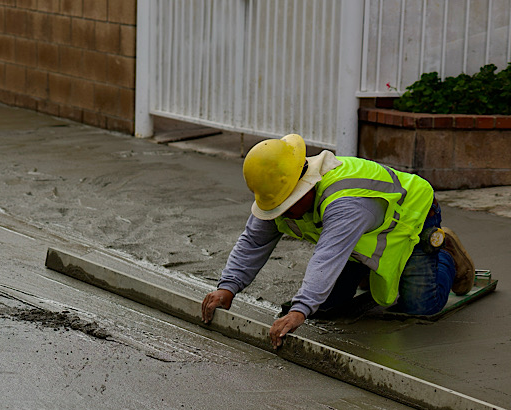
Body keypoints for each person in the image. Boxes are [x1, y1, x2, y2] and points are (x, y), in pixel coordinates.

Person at [200, 133, 475, 348]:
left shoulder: (345, 203)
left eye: (288, 205)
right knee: (329, 305)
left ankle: (444, 254)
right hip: (356, 237)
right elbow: (253, 242)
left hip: (413, 217)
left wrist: (300, 310)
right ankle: (368, 268)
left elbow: (327, 256)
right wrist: (228, 287)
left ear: (304, 184)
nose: (283, 214)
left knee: (419, 308)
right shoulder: (279, 191)